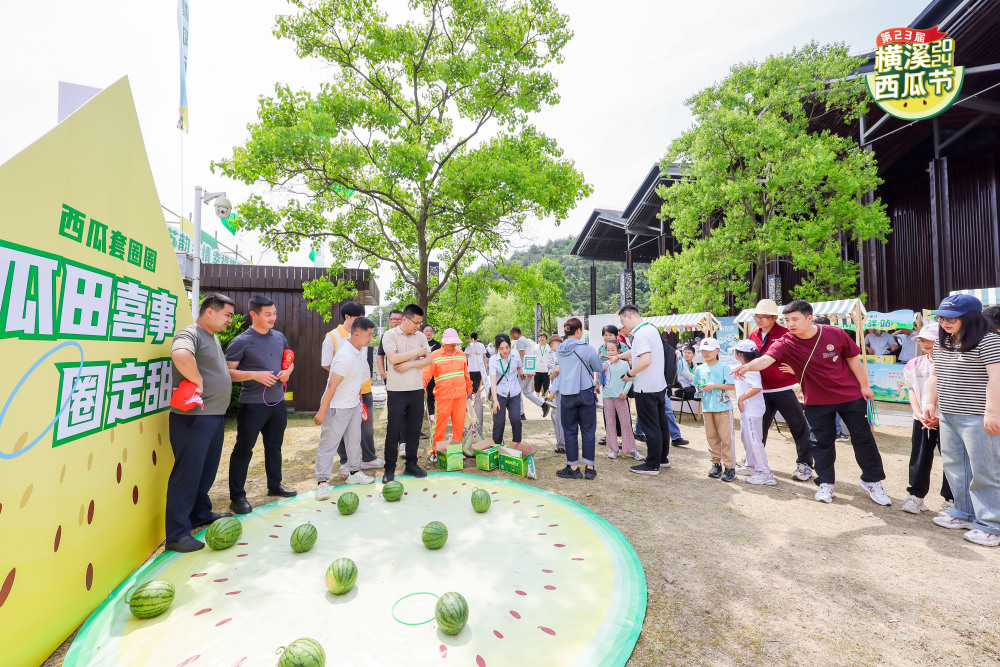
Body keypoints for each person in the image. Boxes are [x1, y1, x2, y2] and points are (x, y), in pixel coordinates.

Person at [735, 300, 890, 506]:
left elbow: (853, 358)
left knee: (863, 439)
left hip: (850, 395)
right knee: (821, 443)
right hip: (817, 399)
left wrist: (864, 386)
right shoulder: (785, 341)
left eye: (795, 319)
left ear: (809, 318)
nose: (790, 324)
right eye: (787, 320)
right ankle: (825, 483)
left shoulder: (835, 333)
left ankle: (872, 481)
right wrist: (747, 367)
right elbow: (766, 359)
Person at [922, 295, 1000, 547]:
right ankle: (964, 513)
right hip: (948, 414)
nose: (945, 322)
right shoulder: (943, 342)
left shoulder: (989, 341)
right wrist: (929, 403)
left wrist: (992, 412)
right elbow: (935, 374)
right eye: (941, 317)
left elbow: (996, 379)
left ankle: (991, 525)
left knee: (985, 470)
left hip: (978, 417)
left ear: (970, 317)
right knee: (955, 467)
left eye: (951, 318)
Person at [165, 293, 236, 552]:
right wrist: (199, 382)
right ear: (210, 312)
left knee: (204, 473)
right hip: (193, 419)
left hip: (213, 417)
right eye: (227, 315)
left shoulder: (213, 338)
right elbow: (181, 355)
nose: (230, 320)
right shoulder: (191, 333)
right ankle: (176, 534)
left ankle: (200, 514)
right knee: (187, 475)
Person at [225, 296, 296, 516]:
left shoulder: (280, 337)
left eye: (274, 313)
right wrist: (254, 375)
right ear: (253, 314)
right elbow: (227, 372)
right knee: (243, 450)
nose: (273, 317)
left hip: (277, 403)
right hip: (252, 405)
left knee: (274, 447)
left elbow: (290, 360)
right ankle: (237, 497)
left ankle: (274, 485)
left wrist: (287, 372)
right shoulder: (241, 341)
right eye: (268, 314)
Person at [748, 299, 815, 481]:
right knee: (758, 428)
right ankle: (755, 462)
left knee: (798, 426)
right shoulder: (753, 335)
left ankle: (805, 464)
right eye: (757, 316)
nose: (759, 319)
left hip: (786, 387)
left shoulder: (786, 333)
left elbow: (806, 355)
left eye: (764, 316)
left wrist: (797, 370)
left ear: (774, 318)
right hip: (762, 389)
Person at [314, 317, 377, 497]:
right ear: (357, 334)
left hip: (353, 406)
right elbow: (331, 386)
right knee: (329, 445)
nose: (371, 339)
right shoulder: (344, 357)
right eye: (369, 335)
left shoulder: (359, 352)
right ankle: (322, 482)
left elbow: (356, 381)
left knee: (354, 441)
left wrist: (359, 403)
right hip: (337, 408)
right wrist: (322, 411)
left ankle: (354, 472)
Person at [322, 301, 382, 477]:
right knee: (341, 429)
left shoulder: (363, 335)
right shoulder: (332, 336)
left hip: (364, 387)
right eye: (358, 317)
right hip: (342, 390)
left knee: (365, 426)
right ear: (347, 317)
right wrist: (345, 375)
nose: (362, 320)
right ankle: (345, 462)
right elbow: (327, 364)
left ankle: (368, 458)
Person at [610, 305, 670, 475]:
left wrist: (629, 374)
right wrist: (619, 356)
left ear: (629, 316)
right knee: (660, 424)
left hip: (646, 387)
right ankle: (662, 458)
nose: (623, 326)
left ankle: (652, 464)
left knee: (651, 426)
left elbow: (645, 360)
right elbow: (637, 352)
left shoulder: (641, 333)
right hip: (658, 385)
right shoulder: (650, 329)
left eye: (622, 321)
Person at [901, 323, 953, 515]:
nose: (926, 343)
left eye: (931, 339)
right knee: (919, 457)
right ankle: (916, 496)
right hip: (922, 419)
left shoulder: (953, 361)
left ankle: (951, 499)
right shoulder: (914, 364)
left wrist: (939, 416)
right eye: (922, 339)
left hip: (948, 419)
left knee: (951, 459)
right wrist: (919, 414)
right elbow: (912, 390)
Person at [382, 304, 433, 482]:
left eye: (420, 323)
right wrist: (416, 352)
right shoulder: (390, 335)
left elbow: (428, 360)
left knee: (414, 430)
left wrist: (409, 364)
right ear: (405, 319)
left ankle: (411, 464)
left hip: (417, 389)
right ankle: (389, 469)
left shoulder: (420, 336)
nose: (419, 327)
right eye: (416, 323)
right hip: (396, 391)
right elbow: (393, 358)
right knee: (393, 431)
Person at [555, 318, 604, 479]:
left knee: (569, 431)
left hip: (567, 395)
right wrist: (608, 364)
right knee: (588, 430)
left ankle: (573, 468)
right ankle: (589, 468)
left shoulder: (559, 349)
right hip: (586, 393)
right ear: (579, 331)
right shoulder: (587, 348)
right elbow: (598, 367)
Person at [423, 328, 474, 458]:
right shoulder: (435, 355)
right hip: (443, 397)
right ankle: (434, 451)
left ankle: (456, 451)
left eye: (454, 342)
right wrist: (422, 386)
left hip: (460, 396)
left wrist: (469, 388)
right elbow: (426, 373)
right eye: (450, 342)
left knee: (458, 425)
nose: (453, 344)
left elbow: (465, 373)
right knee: (439, 426)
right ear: (444, 342)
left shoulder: (461, 354)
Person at [732, 340, 775, 486]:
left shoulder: (750, 369)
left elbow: (756, 387)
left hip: (752, 410)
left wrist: (741, 399)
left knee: (755, 441)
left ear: (739, 354)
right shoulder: (746, 367)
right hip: (748, 410)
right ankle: (751, 466)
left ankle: (765, 472)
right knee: (747, 438)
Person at [695, 338, 737, 482]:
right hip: (707, 407)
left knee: (726, 438)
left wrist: (714, 385)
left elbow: (732, 386)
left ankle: (730, 468)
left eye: (709, 350)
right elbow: (697, 385)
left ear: (718, 351)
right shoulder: (699, 368)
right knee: (711, 437)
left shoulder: (724, 367)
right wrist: (699, 389)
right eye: (703, 351)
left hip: (723, 407)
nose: (706, 353)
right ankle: (715, 464)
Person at [601, 339, 643, 461]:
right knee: (610, 424)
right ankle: (614, 449)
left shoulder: (625, 364)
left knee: (626, 424)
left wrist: (624, 392)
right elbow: (600, 375)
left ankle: (632, 450)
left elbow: (629, 380)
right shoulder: (605, 364)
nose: (610, 352)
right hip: (607, 397)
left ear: (619, 351)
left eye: (612, 350)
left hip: (621, 398)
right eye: (608, 350)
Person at [813, 316, 849, 441]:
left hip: (837, 381)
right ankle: (833, 432)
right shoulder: (815, 340)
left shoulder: (838, 336)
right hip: (822, 382)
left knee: (837, 407)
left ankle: (837, 431)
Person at [598, 325, 630, 447]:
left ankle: (624, 439)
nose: (607, 337)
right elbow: (598, 365)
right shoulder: (601, 348)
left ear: (616, 335)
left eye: (610, 335)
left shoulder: (623, 346)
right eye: (605, 335)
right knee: (608, 411)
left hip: (621, 381)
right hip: (607, 382)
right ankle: (610, 436)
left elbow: (629, 361)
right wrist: (598, 382)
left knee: (623, 411)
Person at [489, 334, 524, 447]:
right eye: (501, 348)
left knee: (516, 420)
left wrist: (524, 374)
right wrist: (495, 400)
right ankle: (496, 448)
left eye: (507, 347)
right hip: (500, 394)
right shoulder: (494, 360)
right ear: (497, 348)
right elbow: (493, 382)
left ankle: (517, 446)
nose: (505, 351)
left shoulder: (515, 354)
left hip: (514, 392)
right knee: (499, 422)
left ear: (510, 346)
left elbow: (519, 368)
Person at [510, 327, 552, 418]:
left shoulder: (520, 341)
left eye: (511, 334)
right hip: (530, 370)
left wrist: (521, 370)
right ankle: (543, 405)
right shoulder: (526, 340)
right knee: (527, 392)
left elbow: (522, 355)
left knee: (518, 392)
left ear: (515, 333)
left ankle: (521, 414)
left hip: (525, 371)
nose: (512, 336)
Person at [546, 335, 566, 454]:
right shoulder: (551, 356)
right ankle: (561, 443)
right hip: (558, 388)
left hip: (566, 388)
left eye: (560, 344)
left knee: (561, 416)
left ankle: (563, 444)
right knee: (557, 416)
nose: (558, 347)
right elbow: (552, 374)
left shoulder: (565, 354)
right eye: (555, 344)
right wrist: (556, 371)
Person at [377, 310, 404, 380]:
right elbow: (380, 355)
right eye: (394, 319)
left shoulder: (409, 335)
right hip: (391, 375)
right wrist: (383, 374)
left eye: (399, 319)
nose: (397, 321)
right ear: (389, 321)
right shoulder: (386, 336)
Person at [423, 324, 442, 422]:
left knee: (431, 392)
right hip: (420, 371)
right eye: (426, 331)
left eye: (430, 331)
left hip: (433, 372)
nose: (428, 333)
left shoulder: (437, 344)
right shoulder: (419, 344)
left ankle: (432, 412)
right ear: (423, 332)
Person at [534, 333, 551, 398]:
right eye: (541, 337)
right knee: (537, 385)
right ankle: (537, 397)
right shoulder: (535, 347)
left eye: (544, 337)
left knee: (546, 385)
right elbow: (532, 357)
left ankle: (546, 397)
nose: (542, 338)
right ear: (539, 338)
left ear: (546, 339)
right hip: (537, 369)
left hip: (546, 370)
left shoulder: (549, 347)